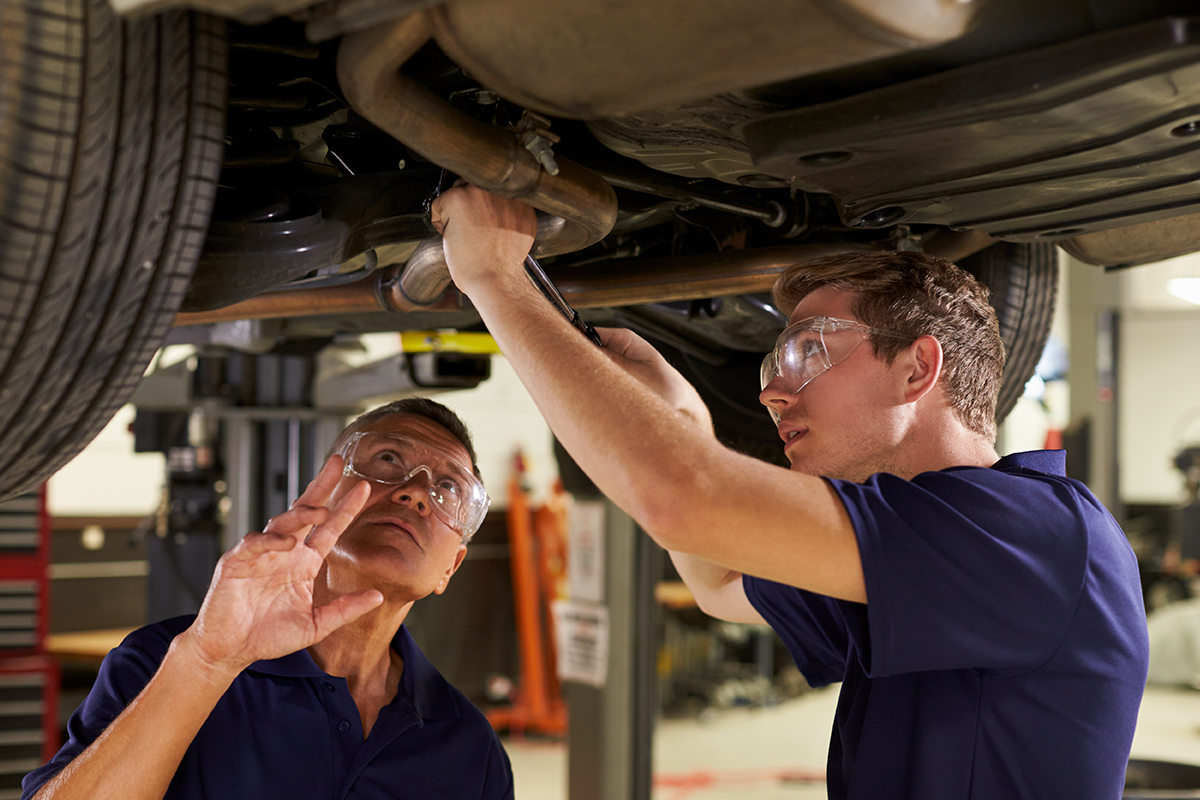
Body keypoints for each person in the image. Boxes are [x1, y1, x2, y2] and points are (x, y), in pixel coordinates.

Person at [430, 185, 1149, 800]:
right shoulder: (921, 551)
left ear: (916, 369)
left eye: (809, 350)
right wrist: (681, 417)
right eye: (778, 358)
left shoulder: (1032, 531)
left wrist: (496, 279)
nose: (771, 392)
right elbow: (720, 580)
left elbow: (685, 501)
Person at [22, 398, 513, 800]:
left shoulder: (471, 748)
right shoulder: (161, 664)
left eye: (449, 486)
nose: (417, 492)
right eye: (389, 460)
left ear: (451, 567)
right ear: (320, 495)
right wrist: (207, 662)